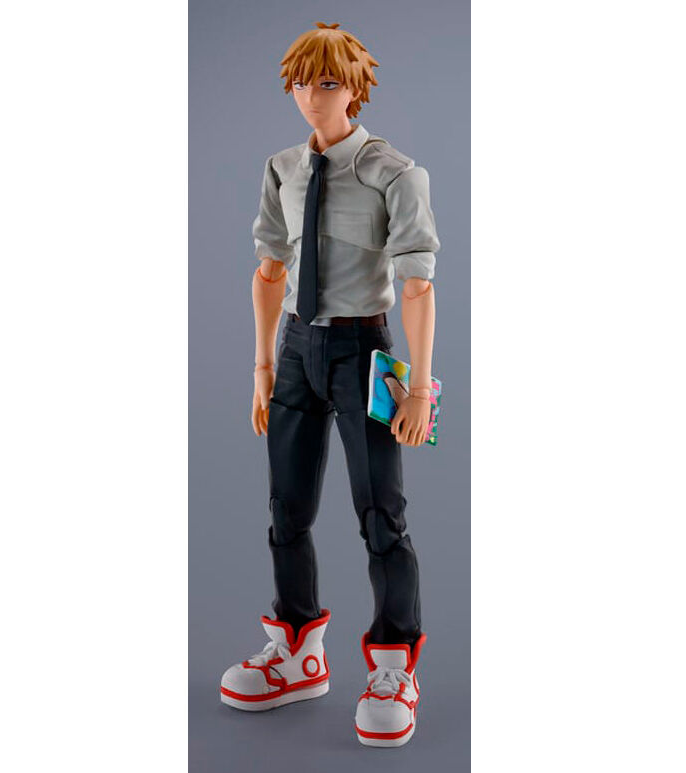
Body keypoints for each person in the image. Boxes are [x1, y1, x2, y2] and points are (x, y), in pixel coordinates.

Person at [219, 22, 440, 748]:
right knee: (286, 506)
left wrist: (417, 388)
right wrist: (261, 366)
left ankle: (393, 663)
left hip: (360, 349)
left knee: (380, 513)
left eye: (327, 82)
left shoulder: (393, 173)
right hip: (294, 347)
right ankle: (296, 647)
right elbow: (269, 271)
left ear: (355, 89)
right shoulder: (282, 168)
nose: (311, 96)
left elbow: (416, 285)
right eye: (300, 82)